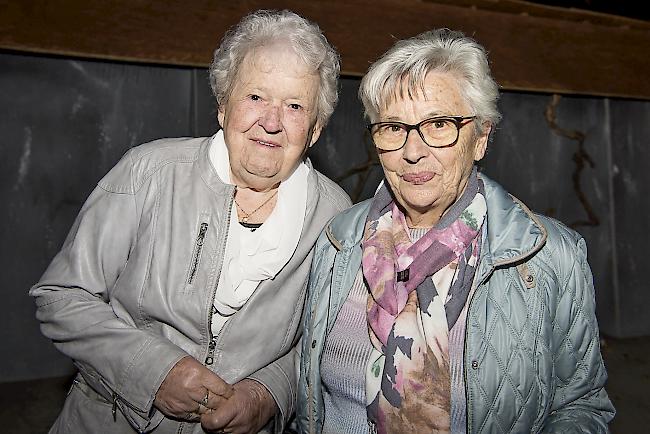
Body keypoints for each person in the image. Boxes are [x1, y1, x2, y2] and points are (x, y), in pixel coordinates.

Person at [30, 9, 350, 434]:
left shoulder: (336, 217)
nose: (271, 122)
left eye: (294, 106)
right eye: (255, 97)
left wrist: (266, 394)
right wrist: (154, 372)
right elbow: (60, 296)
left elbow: (327, 344)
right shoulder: (149, 172)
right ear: (223, 106)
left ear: (314, 130)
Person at [296, 29, 615, 433]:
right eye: (394, 127)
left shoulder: (550, 257)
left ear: (481, 137)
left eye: (440, 124)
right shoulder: (337, 242)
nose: (413, 151)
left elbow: (581, 405)